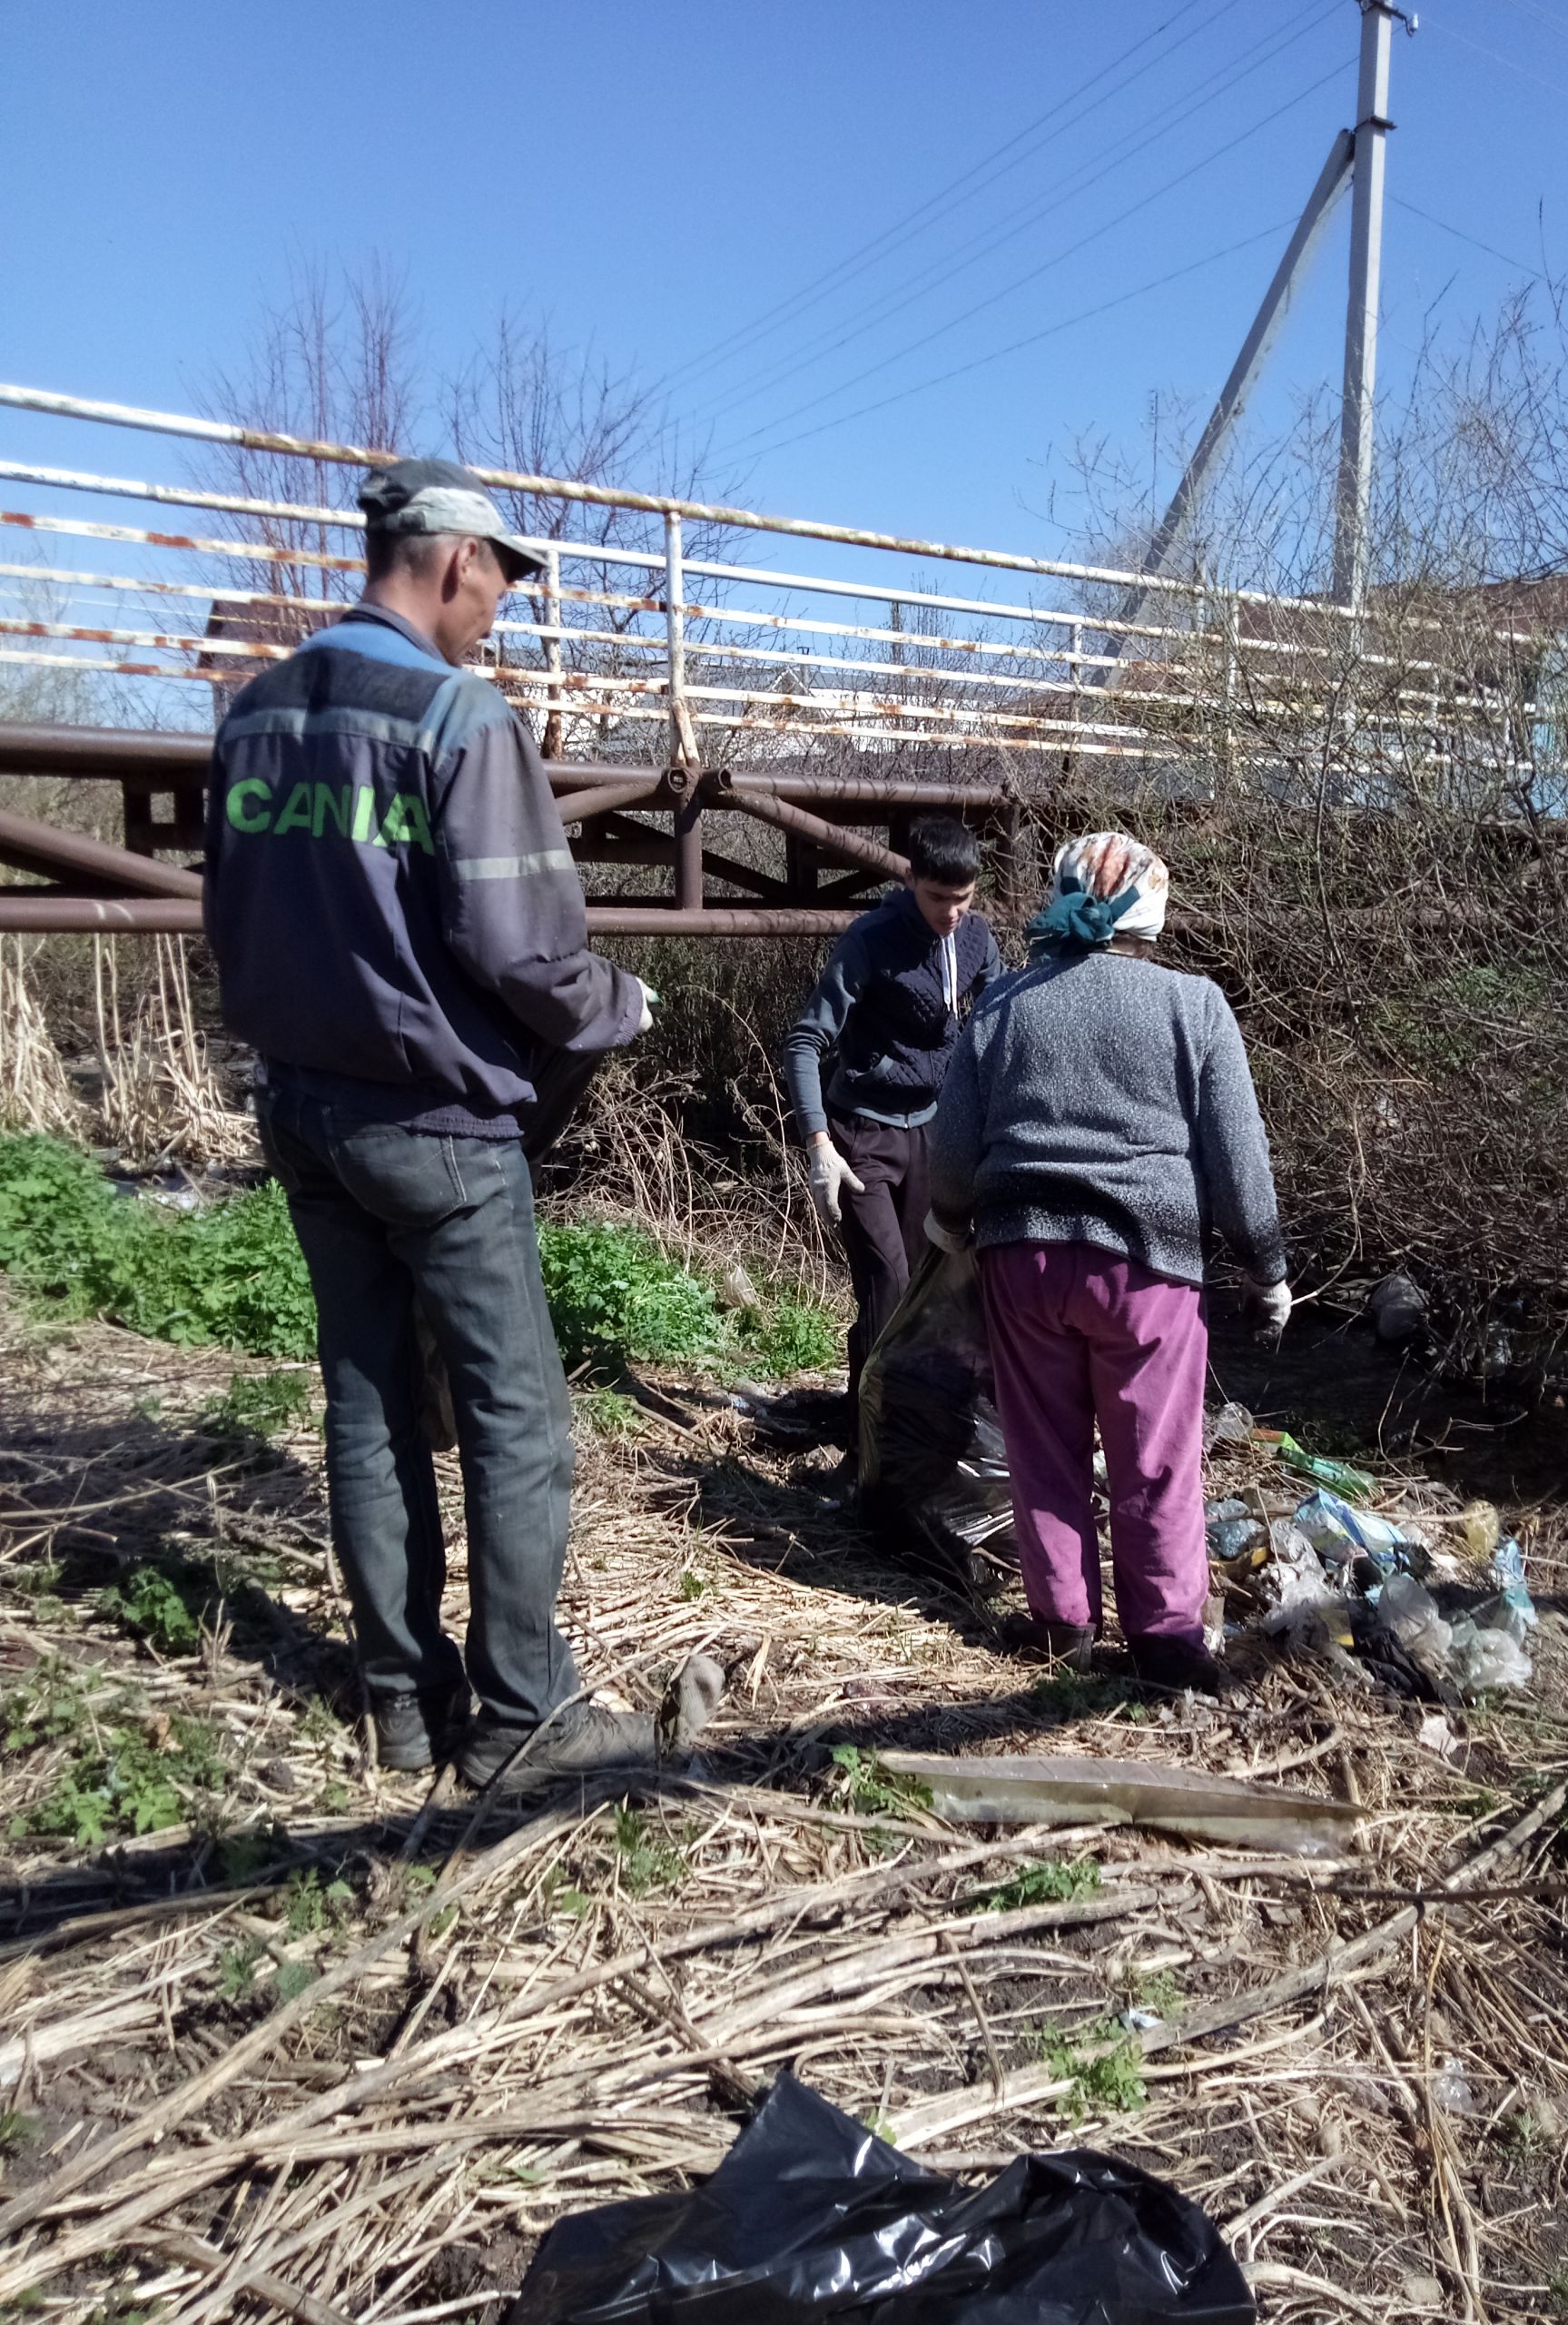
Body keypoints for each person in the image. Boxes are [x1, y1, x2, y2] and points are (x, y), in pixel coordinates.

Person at [204, 456, 719, 1786]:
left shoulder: (255, 715)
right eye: (499, 581)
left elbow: (230, 925)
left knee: (368, 1400)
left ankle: (396, 1698)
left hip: (304, 1112)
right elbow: (524, 950)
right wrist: (620, 1003)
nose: (498, 609)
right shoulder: (458, 720)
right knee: (514, 1416)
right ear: (450, 562)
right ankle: (522, 1720)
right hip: (434, 1126)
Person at [927, 831, 1290, 1696]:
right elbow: (1239, 1158)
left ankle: (1064, 1627)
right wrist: (1266, 1264)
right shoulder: (1195, 1006)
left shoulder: (1005, 1004)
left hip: (1022, 1257)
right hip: (1147, 1267)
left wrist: (949, 1227)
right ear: (1154, 918)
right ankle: (1165, 1641)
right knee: (1156, 1456)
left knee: (1042, 1447)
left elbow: (950, 1149)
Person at [783, 817, 1001, 1447]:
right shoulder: (871, 939)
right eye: (938, 898)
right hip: (863, 1137)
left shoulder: (978, 940)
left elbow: (997, 1025)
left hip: (933, 1134)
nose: (952, 913)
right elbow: (804, 1041)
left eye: (964, 899)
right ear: (910, 880)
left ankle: (873, 1419)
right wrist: (818, 1143)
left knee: (920, 1298)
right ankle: (874, 1454)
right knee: (889, 1286)